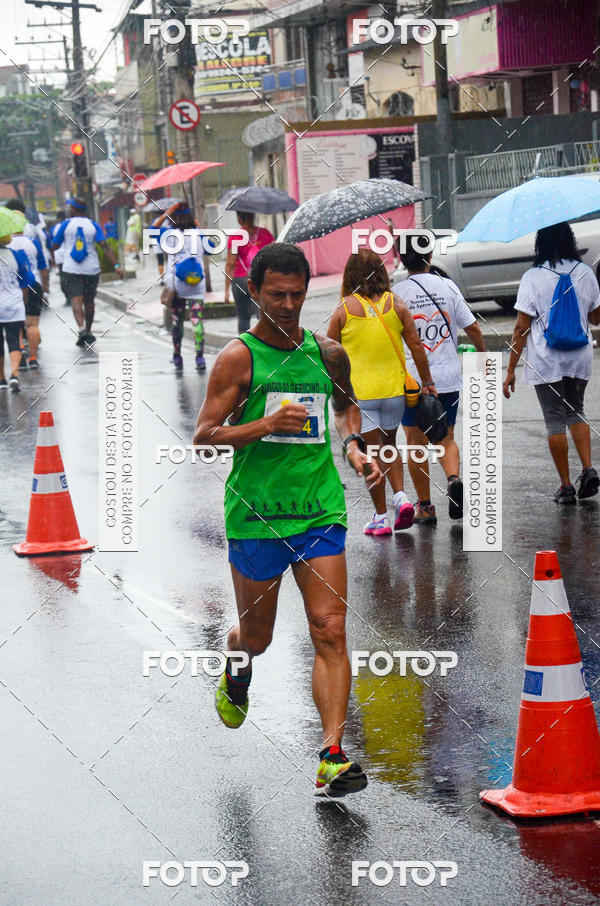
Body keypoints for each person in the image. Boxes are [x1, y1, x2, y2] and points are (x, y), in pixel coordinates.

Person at [194, 242, 383, 798]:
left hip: (319, 509)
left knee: (330, 629)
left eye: (297, 295)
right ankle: (236, 661)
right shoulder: (239, 358)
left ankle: (331, 754)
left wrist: (355, 450)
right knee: (259, 635)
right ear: (254, 292)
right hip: (255, 516)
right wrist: (266, 421)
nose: (287, 304)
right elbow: (204, 437)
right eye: (276, 295)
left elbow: (345, 410)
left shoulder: (327, 353)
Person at [327, 249, 437, 536]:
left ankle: (380, 518)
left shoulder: (344, 309)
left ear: (350, 275)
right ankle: (400, 497)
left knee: (370, 454)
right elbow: (416, 346)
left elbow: (328, 353)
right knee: (389, 445)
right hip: (394, 393)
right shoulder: (396, 304)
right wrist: (427, 382)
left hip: (360, 395)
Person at [503, 221, 600, 503]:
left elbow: (521, 327)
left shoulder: (532, 277)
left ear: (540, 244)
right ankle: (588, 468)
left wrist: (510, 369)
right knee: (576, 411)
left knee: (554, 421)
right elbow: (595, 318)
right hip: (579, 356)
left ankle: (566, 486)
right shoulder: (585, 272)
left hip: (547, 360)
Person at [392, 235, 486, 524]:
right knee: (445, 437)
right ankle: (453, 477)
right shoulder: (447, 287)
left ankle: (425, 506)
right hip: (447, 377)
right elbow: (472, 328)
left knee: (415, 443)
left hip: (413, 382)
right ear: (429, 255)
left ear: (400, 256)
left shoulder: (396, 294)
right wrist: (482, 358)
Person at [51, 197, 122, 346]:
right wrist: (116, 266)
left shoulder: (65, 224)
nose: (69, 210)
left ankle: (81, 329)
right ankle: (88, 331)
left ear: (74, 209)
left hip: (71, 269)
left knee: (76, 299)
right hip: (91, 269)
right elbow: (104, 246)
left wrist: (56, 249)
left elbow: (55, 245)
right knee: (89, 301)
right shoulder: (94, 225)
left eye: (70, 208)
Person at [155, 201, 215, 372]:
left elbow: (152, 230)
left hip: (177, 285)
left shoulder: (169, 234)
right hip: (197, 285)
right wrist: (199, 228)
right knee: (197, 321)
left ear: (174, 217)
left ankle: (177, 356)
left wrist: (167, 212)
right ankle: (200, 357)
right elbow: (211, 249)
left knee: (177, 322)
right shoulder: (198, 234)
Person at [5, 199, 49, 370]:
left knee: (18, 324)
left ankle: (20, 351)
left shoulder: (5, 245)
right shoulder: (32, 242)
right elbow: (43, 268)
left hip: (11, 289)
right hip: (33, 284)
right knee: (33, 324)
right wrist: (45, 288)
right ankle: (32, 358)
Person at [224, 211, 274, 334]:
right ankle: (265, 345)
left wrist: (226, 290)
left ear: (239, 219)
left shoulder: (235, 237)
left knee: (243, 317)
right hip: (260, 280)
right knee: (262, 316)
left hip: (240, 280)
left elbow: (230, 263)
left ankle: (244, 348)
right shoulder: (265, 234)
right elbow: (274, 257)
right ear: (253, 216)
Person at [0, 230, 35, 392]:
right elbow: (26, 280)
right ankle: (14, 374)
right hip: (14, 303)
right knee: (14, 340)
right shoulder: (16, 255)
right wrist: (24, 301)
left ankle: (1, 379)